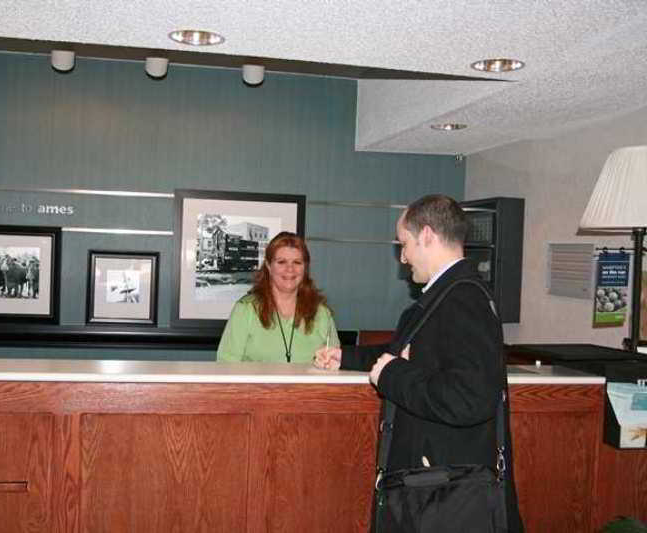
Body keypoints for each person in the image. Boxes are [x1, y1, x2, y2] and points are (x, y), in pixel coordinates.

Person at [314, 194, 522, 532]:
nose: (403, 256)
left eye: (405, 243)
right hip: (434, 490)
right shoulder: (447, 294)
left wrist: (393, 374)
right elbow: (405, 351)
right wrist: (346, 356)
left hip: (445, 495)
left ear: (427, 235)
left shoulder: (462, 299)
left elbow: (469, 398)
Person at [217, 232, 339, 362]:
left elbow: (335, 365)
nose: (290, 269)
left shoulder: (321, 313)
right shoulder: (246, 309)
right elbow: (226, 365)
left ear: (305, 268)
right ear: (269, 266)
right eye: (281, 262)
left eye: (297, 262)